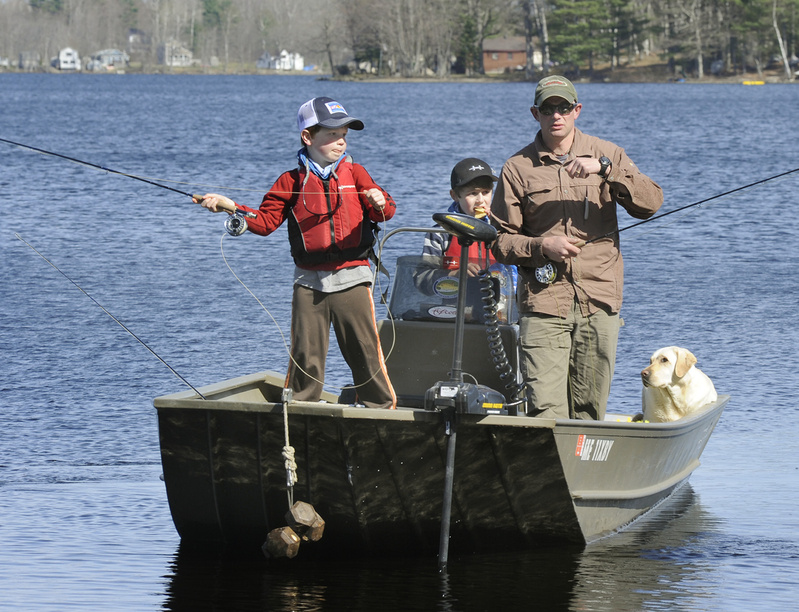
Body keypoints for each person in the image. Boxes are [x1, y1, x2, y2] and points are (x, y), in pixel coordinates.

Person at [195, 96, 397, 409]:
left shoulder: (357, 174)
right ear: (308, 137)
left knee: (365, 352)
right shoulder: (290, 180)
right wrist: (230, 206)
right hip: (308, 283)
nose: (340, 141)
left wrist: (378, 201)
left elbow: (386, 212)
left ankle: (381, 411)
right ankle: (301, 410)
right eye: (331, 134)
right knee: (306, 355)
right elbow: (264, 222)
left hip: (352, 278)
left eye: (343, 134)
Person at [490, 75, 663, 420]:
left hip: (598, 299)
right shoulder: (516, 168)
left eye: (564, 107)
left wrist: (606, 170)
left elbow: (651, 202)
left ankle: (583, 470)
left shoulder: (608, 153)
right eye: (548, 108)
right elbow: (500, 242)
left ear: (577, 110)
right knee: (545, 412)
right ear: (535, 113)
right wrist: (543, 246)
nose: (557, 115)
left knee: (589, 411)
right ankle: (547, 471)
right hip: (543, 302)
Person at [421, 158, 517, 323]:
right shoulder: (440, 233)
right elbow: (421, 279)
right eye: (472, 193)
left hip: (501, 313)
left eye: (486, 192)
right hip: (455, 313)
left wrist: (498, 225)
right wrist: (455, 274)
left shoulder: (505, 228)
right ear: (455, 195)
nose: (481, 200)